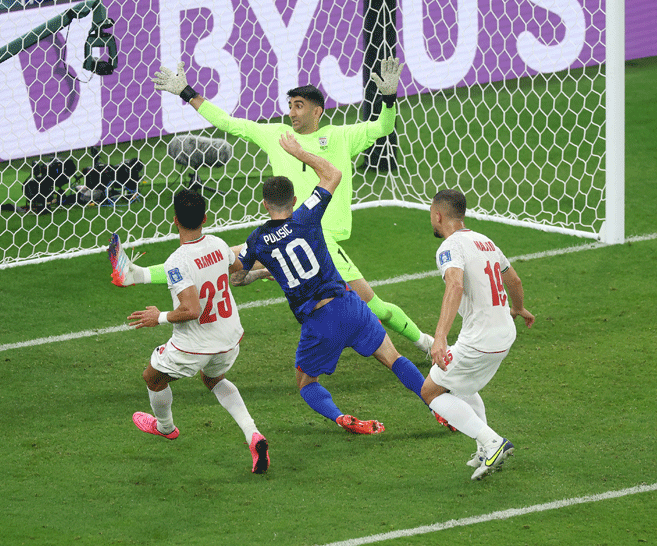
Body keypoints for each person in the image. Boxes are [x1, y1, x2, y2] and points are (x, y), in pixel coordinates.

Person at [141, 57, 435, 357]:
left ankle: (425, 343)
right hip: (286, 235)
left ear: (317, 111)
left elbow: (385, 126)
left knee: (377, 309)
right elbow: (229, 123)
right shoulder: (276, 135)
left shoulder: (341, 137)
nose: (292, 112)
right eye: (291, 105)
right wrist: (187, 93)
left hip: (324, 242)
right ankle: (135, 274)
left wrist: (389, 98)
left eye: (299, 106)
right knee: (214, 259)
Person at [230, 132, 434, 435]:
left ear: (264, 204)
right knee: (394, 358)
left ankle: (340, 417)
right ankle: (438, 407)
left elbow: (236, 277)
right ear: (294, 200)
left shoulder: (257, 241)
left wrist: (262, 271)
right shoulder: (307, 215)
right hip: (350, 305)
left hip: (318, 321)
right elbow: (333, 174)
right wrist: (299, 152)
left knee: (306, 384)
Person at [108, 189, 270, 474]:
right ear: (205, 218)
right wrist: (265, 272)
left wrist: (158, 317)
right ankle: (253, 434)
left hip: (195, 344)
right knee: (213, 378)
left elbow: (191, 309)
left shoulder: (177, 260)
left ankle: (165, 427)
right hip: (229, 338)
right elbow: (238, 273)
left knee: (152, 378)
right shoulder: (219, 244)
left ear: (175, 220)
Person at [421, 189, 535, 480]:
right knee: (462, 386)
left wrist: (440, 337)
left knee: (431, 391)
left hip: (480, 340)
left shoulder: (449, 247)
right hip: (504, 334)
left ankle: (492, 442)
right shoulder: (486, 242)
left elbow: (455, 285)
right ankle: (485, 450)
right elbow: (514, 280)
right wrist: (518, 308)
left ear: (438, 215)